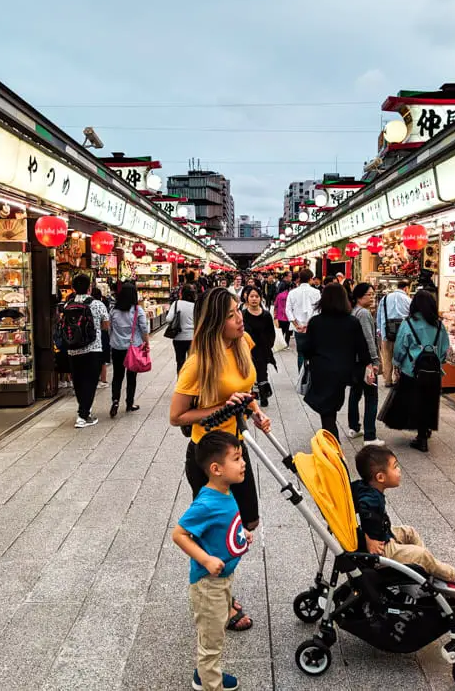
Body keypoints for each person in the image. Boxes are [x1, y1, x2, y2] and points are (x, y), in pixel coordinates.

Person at [170, 287, 271, 632]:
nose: (239, 317)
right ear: (215, 322)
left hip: (235, 448)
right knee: (218, 533)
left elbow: (245, 387)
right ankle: (220, 599)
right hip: (208, 457)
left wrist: (254, 410)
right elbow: (176, 416)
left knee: (249, 522)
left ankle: (222, 585)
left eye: (238, 310)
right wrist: (221, 408)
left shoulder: (243, 344)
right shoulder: (199, 362)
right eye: (230, 314)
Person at [173, 432, 252, 691]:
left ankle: (203, 674)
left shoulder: (226, 492)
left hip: (223, 579)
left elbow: (225, 526)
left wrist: (243, 534)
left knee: (214, 632)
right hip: (208, 585)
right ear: (216, 469)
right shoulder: (206, 503)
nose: (243, 464)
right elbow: (179, 534)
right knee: (211, 640)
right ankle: (210, 684)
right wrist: (205, 559)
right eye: (237, 458)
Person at [352, 445, 455, 590]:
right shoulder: (371, 498)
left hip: (384, 535)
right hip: (382, 550)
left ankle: (429, 572)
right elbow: (366, 511)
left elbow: (352, 493)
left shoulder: (363, 486)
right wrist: (370, 536)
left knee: (408, 531)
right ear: (380, 477)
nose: (399, 470)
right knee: (421, 555)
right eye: (395, 467)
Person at [381, 290, 450, 452]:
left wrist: (397, 364)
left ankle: (421, 437)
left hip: (411, 370)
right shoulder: (439, 324)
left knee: (415, 401)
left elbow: (400, 347)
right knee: (430, 401)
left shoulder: (408, 323)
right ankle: (425, 430)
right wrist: (438, 362)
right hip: (433, 371)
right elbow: (444, 348)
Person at [303, 284, 372, 440]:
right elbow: (362, 348)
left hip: (321, 370)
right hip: (343, 371)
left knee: (327, 411)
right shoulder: (352, 322)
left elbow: (307, 348)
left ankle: (333, 445)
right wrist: (368, 365)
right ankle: (331, 441)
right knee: (331, 408)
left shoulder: (315, 322)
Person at [66, 274, 109, 428]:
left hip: (73, 349)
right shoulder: (97, 304)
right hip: (93, 348)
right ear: (89, 288)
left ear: (73, 288)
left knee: (78, 381)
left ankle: (84, 410)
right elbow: (106, 325)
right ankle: (83, 415)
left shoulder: (67, 304)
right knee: (90, 381)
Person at [348, 283, 383, 446]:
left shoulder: (354, 311)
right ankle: (370, 435)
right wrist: (374, 361)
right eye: (369, 294)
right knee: (371, 397)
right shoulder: (364, 314)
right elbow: (369, 339)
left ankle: (354, 427)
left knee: (355, 394)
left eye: (373, 294)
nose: (372, 297)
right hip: (365, 362)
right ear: (359, 296)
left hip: (355, 362)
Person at [109, 282, 150, 418]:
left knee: (117, 376)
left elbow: (110, 329)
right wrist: (146, 343)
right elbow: (144, 329)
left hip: (117, 347)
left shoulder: (114, 310)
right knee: (131, 377)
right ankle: (129, 403)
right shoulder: (138, 310)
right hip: (133, 348)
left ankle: (115, 400)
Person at [243, 287, 276, 407]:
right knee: (248, 374)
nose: (254, 299)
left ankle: (263, 395)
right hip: (247, 349)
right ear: (247, 298)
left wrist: (268, 346)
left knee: (262, 373)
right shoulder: (243, 314)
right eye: (251, 296)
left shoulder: (266, 315)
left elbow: (271, 332)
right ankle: (249, 398)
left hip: (262, 349)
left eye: (256, 296)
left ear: (260, 298)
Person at [376, 280, 411, 387]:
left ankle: (387, 380)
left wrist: (379, 329)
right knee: (400, 355)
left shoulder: (385, 298)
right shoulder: (408, 300)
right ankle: (398, 378)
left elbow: (379, 314)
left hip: (387, 331)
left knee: (387, 356)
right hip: (403, 333)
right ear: (406, 288)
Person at [285, 269, 321, 371]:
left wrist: (296, 325)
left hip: (298, 328)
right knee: (313, 353)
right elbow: (318, 311)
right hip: (313, 328)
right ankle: (311, 378)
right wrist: (309, 325)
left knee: (300, 353)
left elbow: (288, 310)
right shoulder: (316, 292)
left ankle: (302, 377)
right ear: (310, 279)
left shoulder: (292, 293)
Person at [166, 285, 196, 374]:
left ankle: (181, 382)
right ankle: (191, 382)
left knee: (180, 362)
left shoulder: (176, 304)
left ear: (181, 293)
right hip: (192, 337)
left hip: (178, 337)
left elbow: (168, 319)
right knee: (192, 362)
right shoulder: (195, 305)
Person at [92, 287, 110, 389]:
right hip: (100, 336)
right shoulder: (100, 305)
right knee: (102, 360)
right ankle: (102, 380)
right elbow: (106, 325)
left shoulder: (74, 303)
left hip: (84, 340)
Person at [274, 281, 292, 348]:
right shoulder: (290, 295)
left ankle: (281, 344)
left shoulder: (279, 295)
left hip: (280, 316)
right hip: (288, 316)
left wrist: (275, 316)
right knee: (288, 332)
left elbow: (276, 305)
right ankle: (286, 344)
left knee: (281, 331)